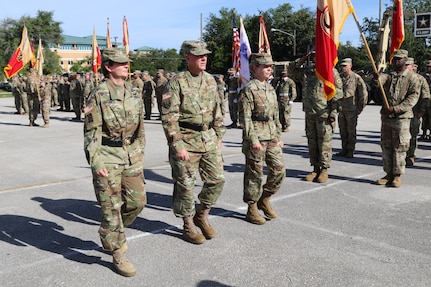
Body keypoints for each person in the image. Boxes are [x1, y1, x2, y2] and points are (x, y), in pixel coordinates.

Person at [83, 48, 146, 277]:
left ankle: (110, 231)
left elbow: (140, 128)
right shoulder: (98, 94)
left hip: (131, 155)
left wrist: (139, 152)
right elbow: (91, 133)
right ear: (108, 66)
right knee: (111, 208)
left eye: (126, 63)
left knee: (138, 202)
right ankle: (118, 252)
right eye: (120, 63)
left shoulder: (133, 90)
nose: (126, 66)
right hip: (107, 156)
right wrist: (96, 161)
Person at [161, 40, 225, 244]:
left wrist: (219, 135)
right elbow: (169, 116)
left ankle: (202, 214)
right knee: (185, 187)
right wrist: (177, 145)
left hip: (208, 138)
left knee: (217, 179)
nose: (203, 58)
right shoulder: (176, 82)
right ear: (188, 58)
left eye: (205, 55)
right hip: (186, 140)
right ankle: (188, 225)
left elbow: (218, 110)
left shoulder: (211, 80)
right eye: (198, 55)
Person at [238, 53, 285, 225]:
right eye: (266, 66)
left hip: (271, 135)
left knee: (279, 170)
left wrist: (278, 136)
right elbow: (245, 118)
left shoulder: (270, 88)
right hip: (256, 137)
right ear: (255, 68)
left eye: (270, 66)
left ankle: (264, 198)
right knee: (254, 175)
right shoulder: (249, 89)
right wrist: (253, 140)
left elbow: (276, 115)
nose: (269, 69)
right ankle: (251, 208)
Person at [289, 51, 343, 183]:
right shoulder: (307, 72)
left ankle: (324, 170)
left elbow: (338, 94)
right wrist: (302, 59)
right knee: (312, 142)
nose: (314, 59)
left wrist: (333, 113)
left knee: (324, 143)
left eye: (317, 56)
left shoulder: (330, 72)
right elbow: (291, 71)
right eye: (312, 57)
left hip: (324, 114)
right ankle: (315, 168)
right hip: (310, 113)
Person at [374, 49, 420, 187]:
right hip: (387, 117)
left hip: (401, 118)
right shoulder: (390, 75)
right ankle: (388, 173)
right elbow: (380, 82)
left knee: (399, 147)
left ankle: (397, 175)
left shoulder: (412, 78)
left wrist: (395, 109)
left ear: (405, 61)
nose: (396, 61)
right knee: (386, 145)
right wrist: (377, 77)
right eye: (395, 59)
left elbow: (412, 98)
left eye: (399, 59)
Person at [336, 58, 368, 158]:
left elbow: (363, 93)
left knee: (351, 131)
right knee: (343, 131)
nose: (343, 68)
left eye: (345, 66)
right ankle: (344, 149)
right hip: (341, 109)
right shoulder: (339, 77)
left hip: (351, 109)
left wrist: (360, 107)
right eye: (342, 66)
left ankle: (350, 150)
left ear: (350, 66)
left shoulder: (356, 78)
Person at [405, 59, 430, 166]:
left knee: (412, 135)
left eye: (407, 65)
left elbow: (426, 97)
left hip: (414, 112)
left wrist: (421, 111)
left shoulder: (420, 79)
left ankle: (410, 155)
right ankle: (400, 156)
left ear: (412, 66)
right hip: (401, 113)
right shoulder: (398, 77)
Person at [420, 60, 431, 140]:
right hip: (424, 99)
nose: (429, 68)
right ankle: (423, 133)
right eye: (428, 66)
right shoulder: (423, 75)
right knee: (424, 117)